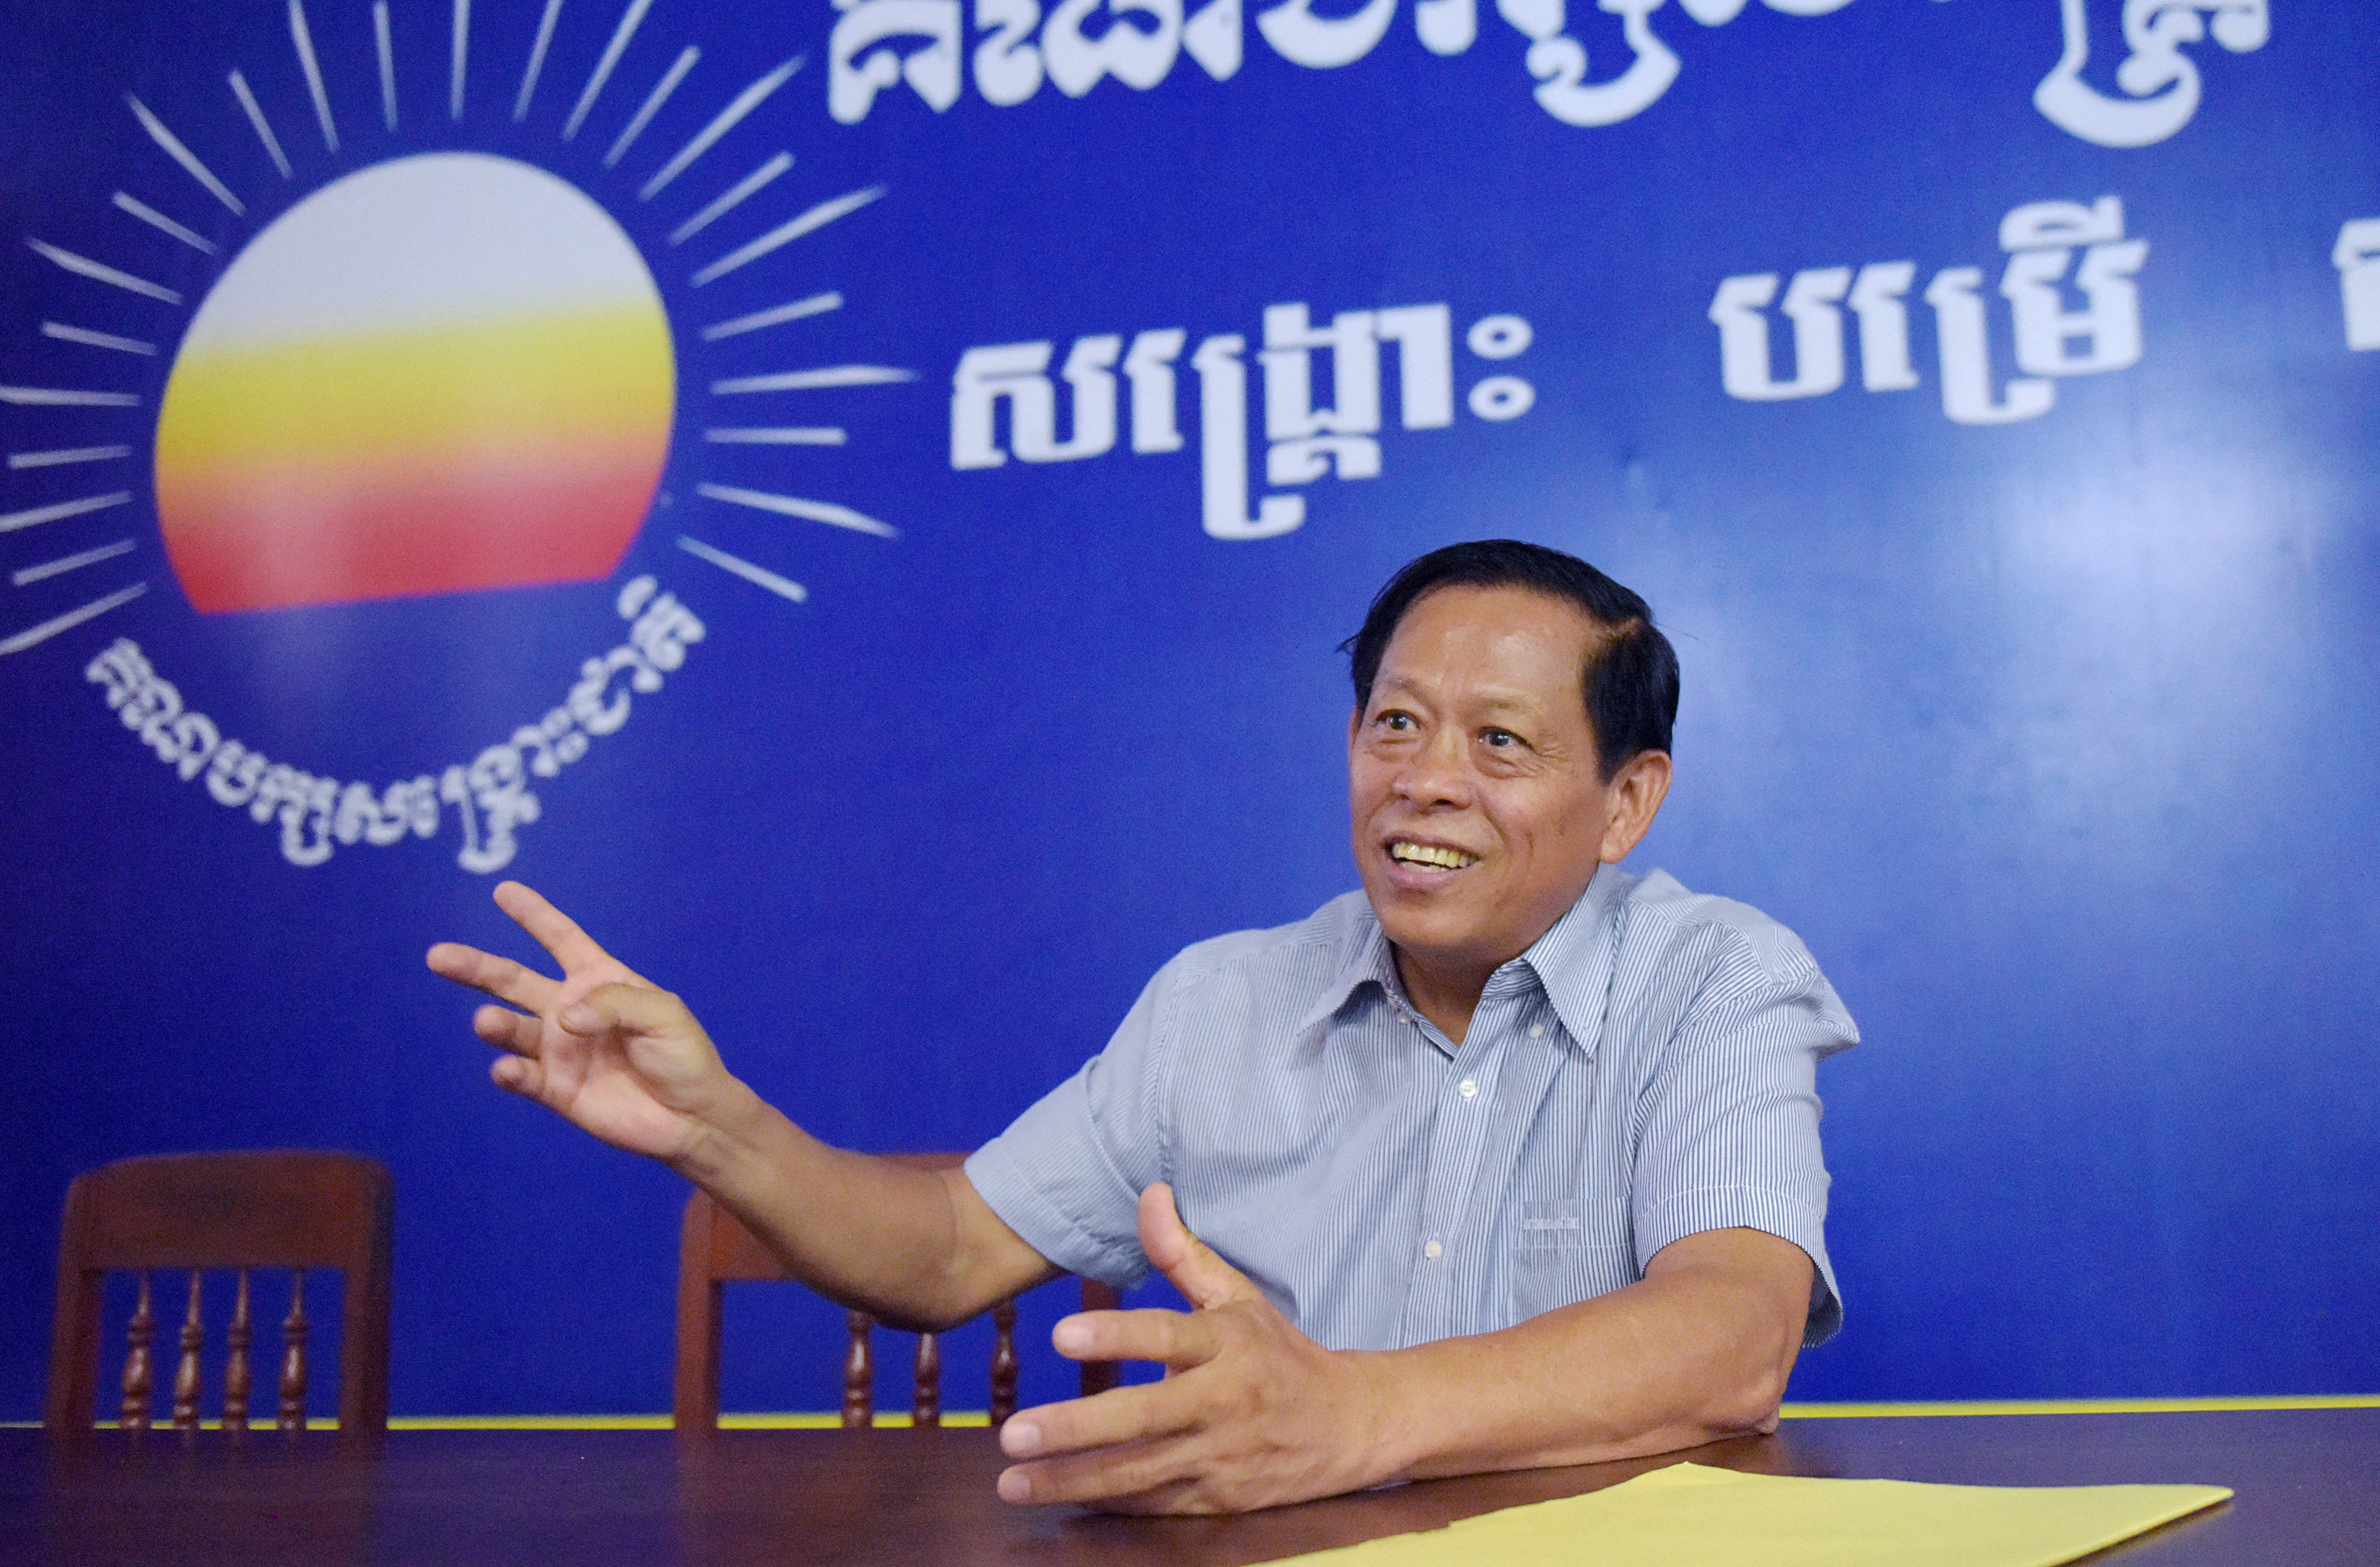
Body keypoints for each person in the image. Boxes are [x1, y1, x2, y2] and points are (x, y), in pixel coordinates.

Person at [428, 539, 1856, 1515]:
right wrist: (719, 1129)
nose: (1424, 782)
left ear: (1626, 802)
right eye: (1395, 726)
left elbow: (1733, 1334)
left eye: (1501, 743)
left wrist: (1351, 1414)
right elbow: (945, 1253)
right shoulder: (1221, 1001)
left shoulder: (1717, 975)